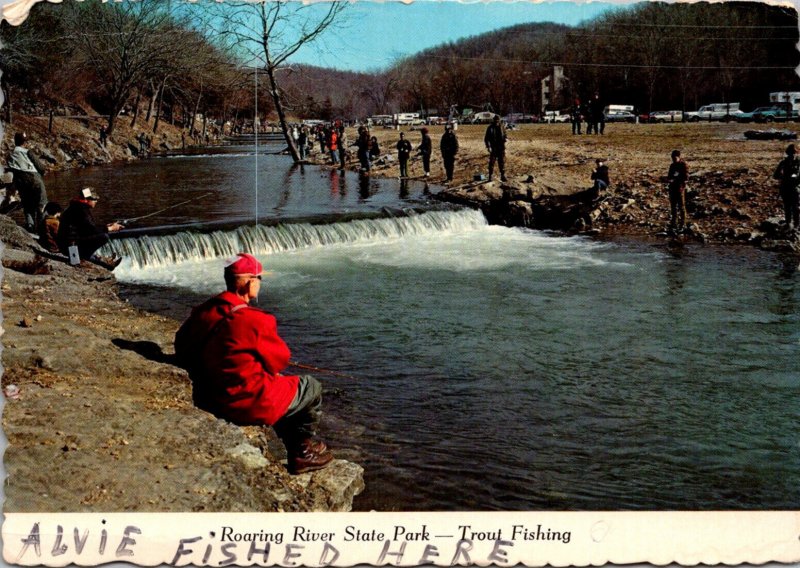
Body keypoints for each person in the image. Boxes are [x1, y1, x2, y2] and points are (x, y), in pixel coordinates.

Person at [174, 253, 334, 475]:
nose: (260, 283)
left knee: (283, 387)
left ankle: (297, 447)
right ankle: (303, 451)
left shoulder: (204, 310)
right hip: (241, 403)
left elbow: (181, 344)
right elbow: (280, 361)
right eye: (259, 278)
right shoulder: (255, 319)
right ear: (250, 282)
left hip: (209, 393)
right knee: (311, 387)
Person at [57, 187, 123, 269]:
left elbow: (88, 227)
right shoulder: (81, 210)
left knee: (101, 236)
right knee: (104, 237)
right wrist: (110, 229)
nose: (96, 201)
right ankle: (87, 258)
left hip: (68, 244)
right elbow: (91, 230)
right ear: (86, 199)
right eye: (94, 199)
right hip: (70, 247)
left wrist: (106, 226)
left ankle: (103, 262)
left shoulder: (77, 207)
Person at [7, 132, 48, 233]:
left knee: (28, 206)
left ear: (15, 141)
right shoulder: (28, 152)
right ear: (25, 142)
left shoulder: (10, 154)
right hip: (34, 179)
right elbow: (41, 168)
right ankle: (42, 229)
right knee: (41, 204)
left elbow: (11, 169)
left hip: (21, 182)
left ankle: (30, 226)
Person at [773, 143, 800, 230]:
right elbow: (776, 175)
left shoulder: (798, 163)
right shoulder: (783, 163)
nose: (792, 155)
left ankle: (796, 225)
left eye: (794, 153)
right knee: (788, 207)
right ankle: (789, 224)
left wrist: (794, 179)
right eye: (791, 153)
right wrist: (785, 177)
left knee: (795, 207)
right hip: (787, 187)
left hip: (792, 187)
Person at [665, 150, 689, 232]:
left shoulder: (683, 165)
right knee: (673, 207)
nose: (673, 160)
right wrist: (669, 180)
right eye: (672, 158)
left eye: (675, 158)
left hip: (680, 189)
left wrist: (675, 180)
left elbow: (685, 178)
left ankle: (683, 224)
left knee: (681, 207)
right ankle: (673, 223)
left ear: (679, 157)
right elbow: (669, 176)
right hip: (672, 189)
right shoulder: (672, 166)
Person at [484, 115, 507, 182]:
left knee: (501, 162)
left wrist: (505, 138)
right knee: (491, 163)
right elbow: (486, 139)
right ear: (493, 120)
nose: (497, 121)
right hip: (493, 148)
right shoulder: (490, 128)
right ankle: (490, 176)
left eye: (498, 120)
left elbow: (505, 134)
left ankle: (503, 175)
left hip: (501, 147)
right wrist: (488, 147)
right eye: (496, 120)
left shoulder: (502, 127)